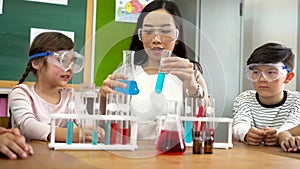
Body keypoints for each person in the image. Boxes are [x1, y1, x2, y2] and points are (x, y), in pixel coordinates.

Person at [100, 0, 208, 139]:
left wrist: (193, 87)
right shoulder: (126, 73)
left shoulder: (191, 74)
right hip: (133, 154)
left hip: (176, 154)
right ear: (140, 35)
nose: (156, 39)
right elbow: (104, 125)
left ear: (177, 36)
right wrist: (103, 97)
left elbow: (203, 124)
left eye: (165, 31)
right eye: (149, 31)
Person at [9, 32, 105, 143]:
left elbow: (88, 124)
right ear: (36, 63)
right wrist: (72, 134)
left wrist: (95, 131)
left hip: (58, 158)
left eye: (72, 61)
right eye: (62, 60)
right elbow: (29, 126)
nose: (69, 68)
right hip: (29, 157)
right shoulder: (21, 93)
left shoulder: (70, 95)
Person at [232, 42, 300, 146]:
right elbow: (239, 125)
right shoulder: (245, 98)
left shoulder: (297, 101)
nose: (262, 79)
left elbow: (291, 127)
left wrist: (277, 135)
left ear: (288, 77)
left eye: (271, 73)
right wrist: (246, 134)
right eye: (256, 72)